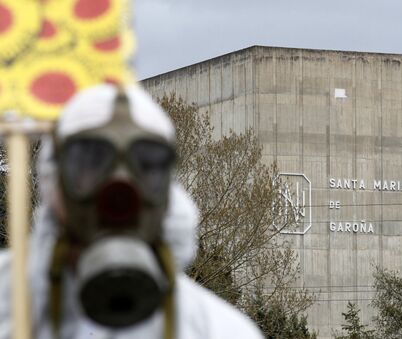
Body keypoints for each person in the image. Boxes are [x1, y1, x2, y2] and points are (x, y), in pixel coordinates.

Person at [0, 84, 264, 339]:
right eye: (91, 161)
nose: (120, 188)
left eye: (146, 164)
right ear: (54, 183)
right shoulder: (8, 311)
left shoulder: (218, 331)